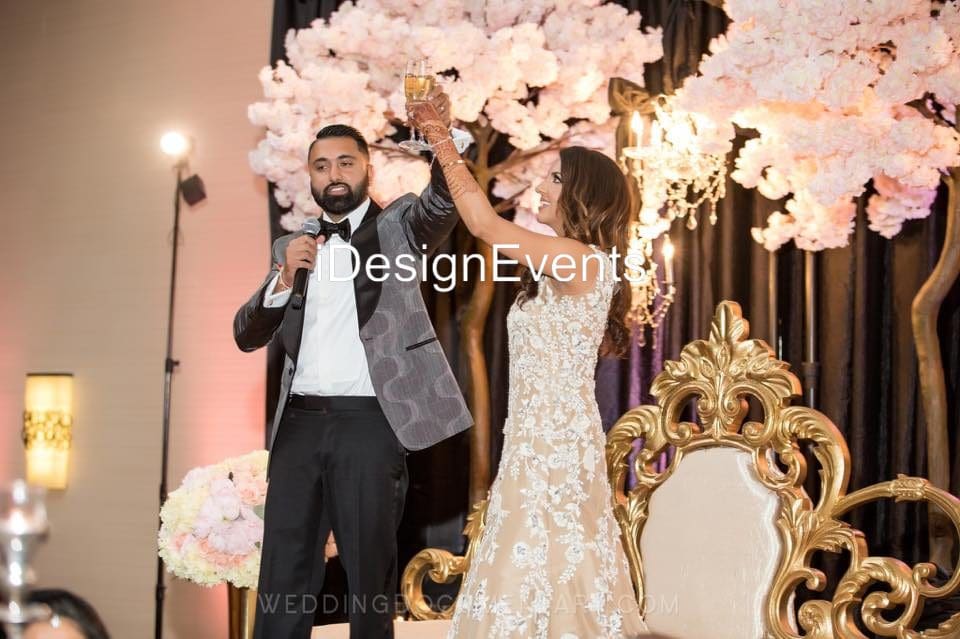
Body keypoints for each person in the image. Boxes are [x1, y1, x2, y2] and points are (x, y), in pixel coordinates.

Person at [234, 88, 473, 639]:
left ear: (367, 168)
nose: (333, 173)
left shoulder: (399, 225)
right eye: (321, 166)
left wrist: (440, 133)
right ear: (310, 179)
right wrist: (282, 278)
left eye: (345, 161)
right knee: (283, 570)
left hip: (370, 422)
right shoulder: (291, 243)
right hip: (297, 425)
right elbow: (247, 334)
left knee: (369, 571)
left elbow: (443, 203)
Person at [406, 100, 649, 637]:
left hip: (554, 441)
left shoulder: (579, 257)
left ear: (583, 193)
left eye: (555, 178)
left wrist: (439, 136)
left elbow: (482, 223)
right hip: (536, 437)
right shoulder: (570, 260)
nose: (541, 187)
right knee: (536, 561)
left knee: (551, 558)